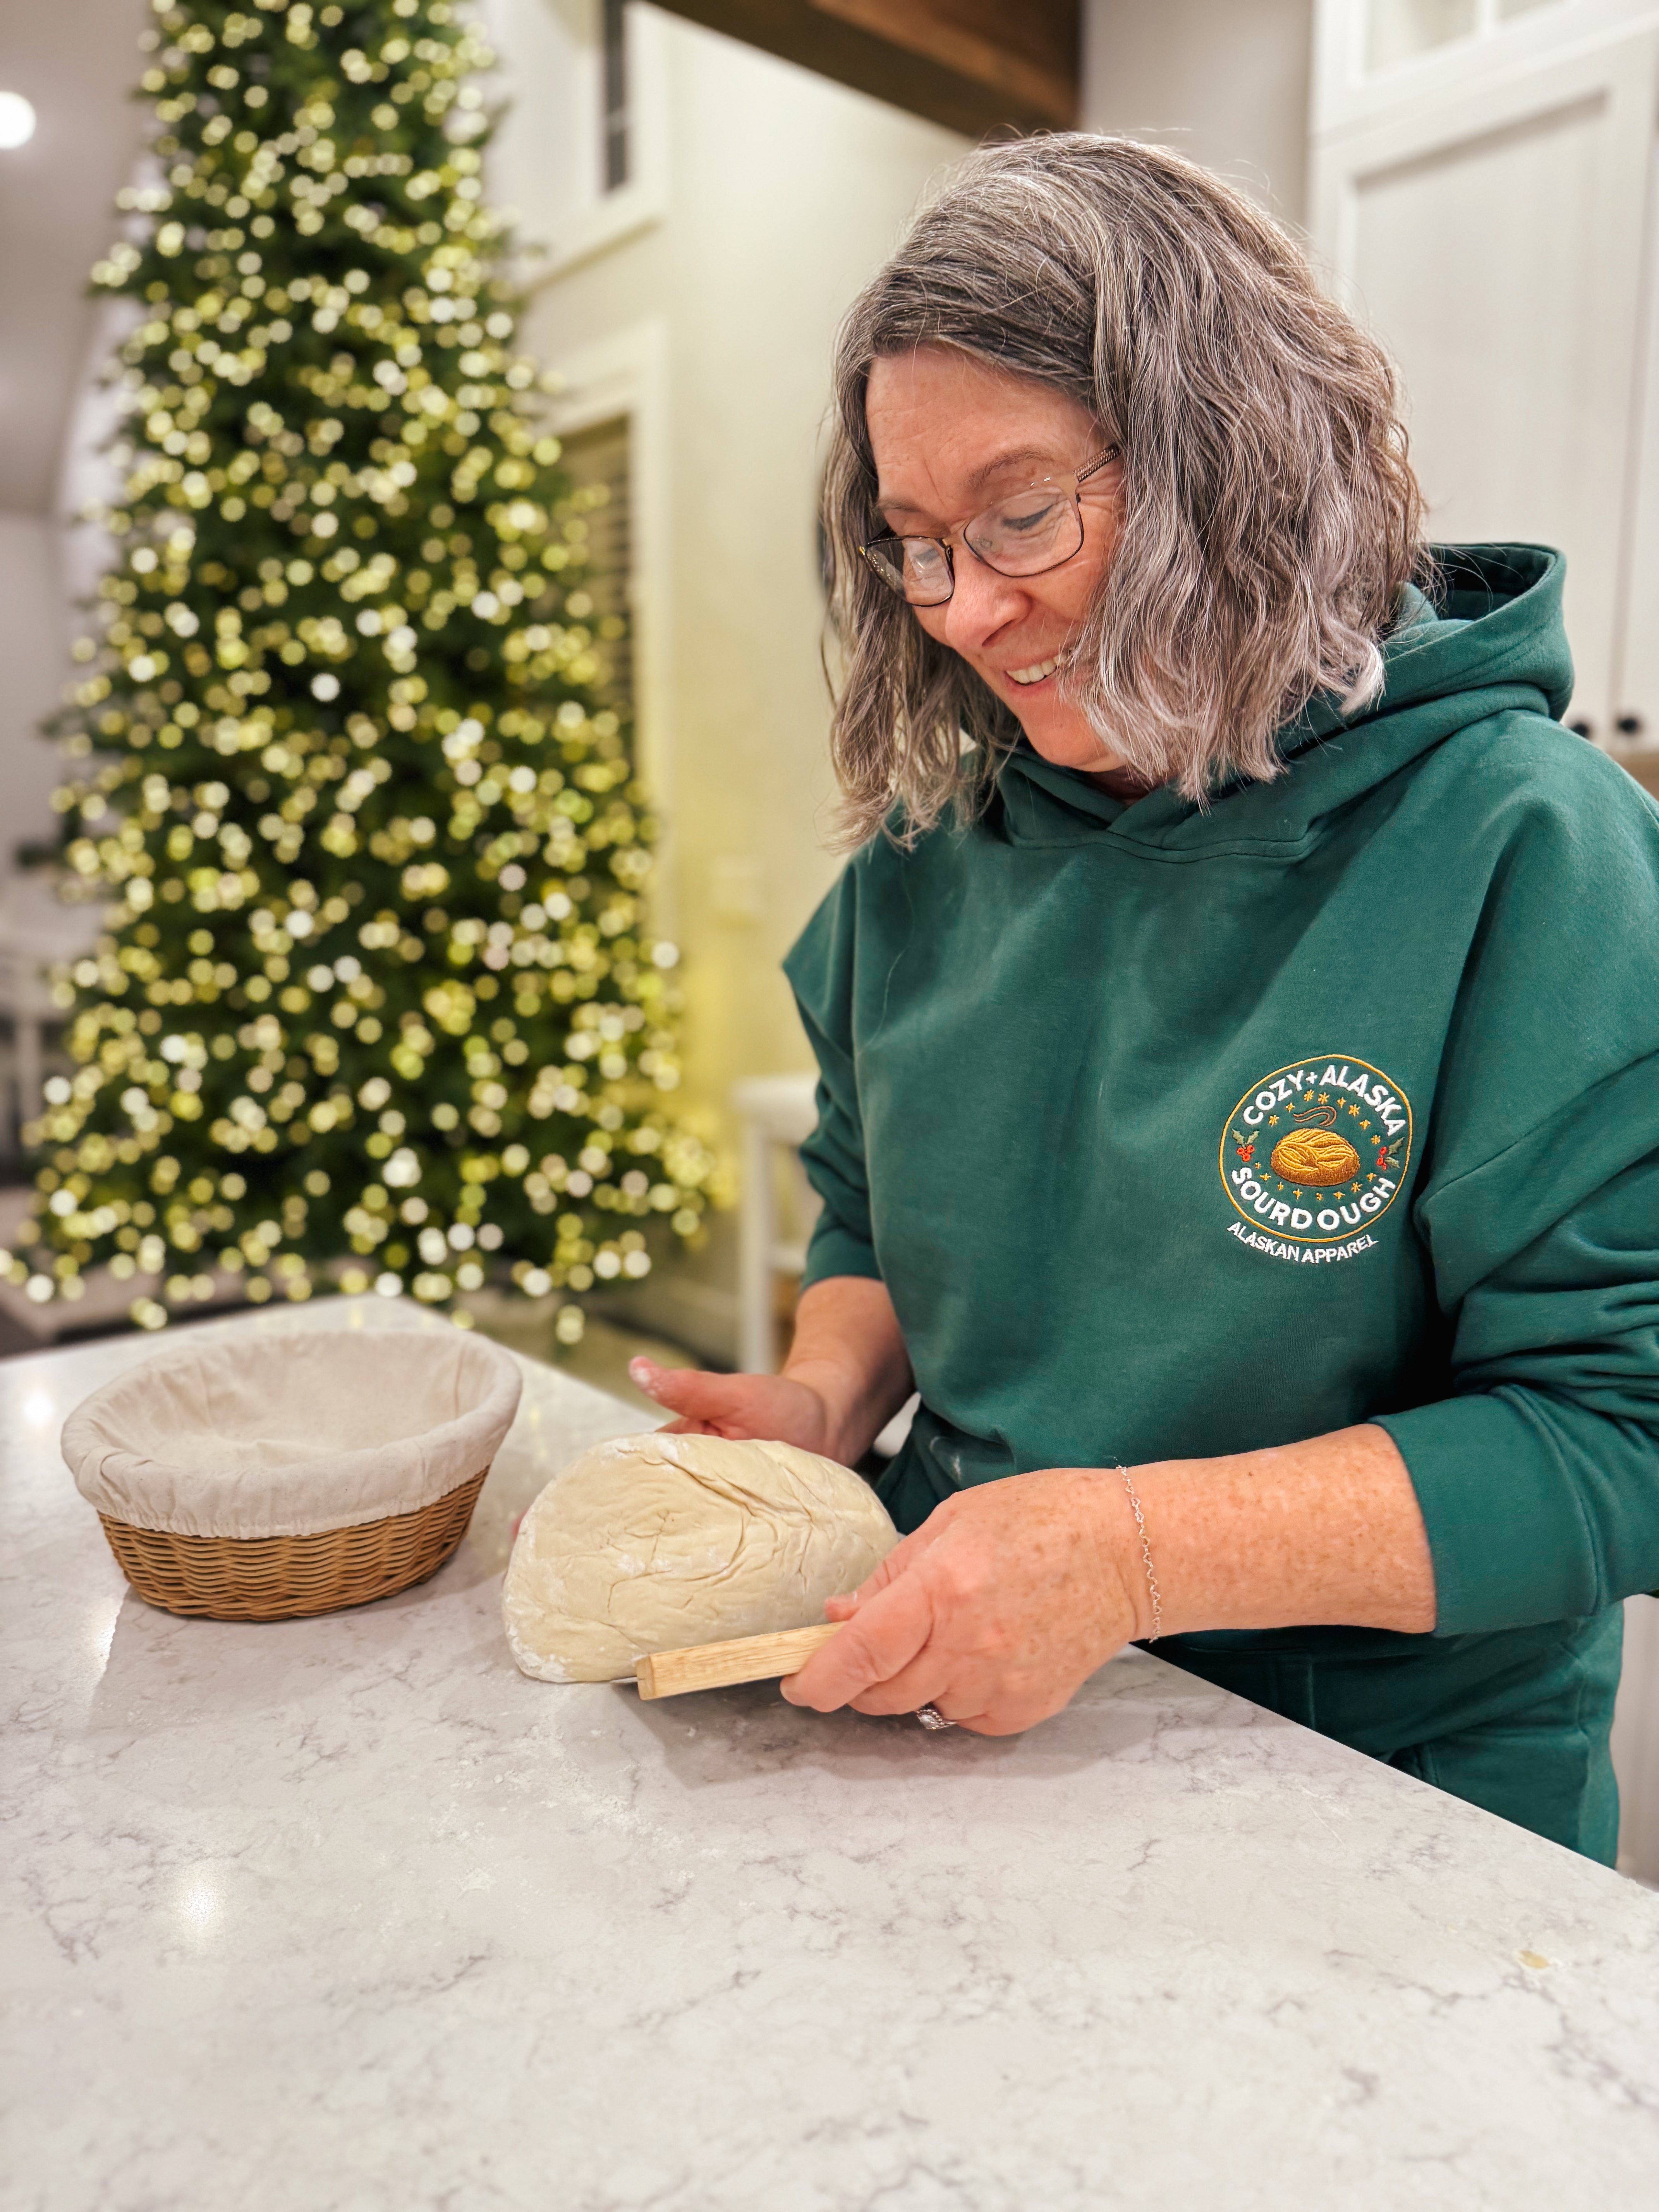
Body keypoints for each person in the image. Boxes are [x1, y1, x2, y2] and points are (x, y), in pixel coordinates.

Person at [630, 136, 1659, 1862]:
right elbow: (876, 1211)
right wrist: (825, 1399)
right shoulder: (928, 853)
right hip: (945, 1716)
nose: (969, 610)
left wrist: (1128, 1555)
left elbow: (1619, 1432)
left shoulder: (1531, 853)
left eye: (1021, 514)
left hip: (1379, 1799)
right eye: (916, 545)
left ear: (1230, 458)